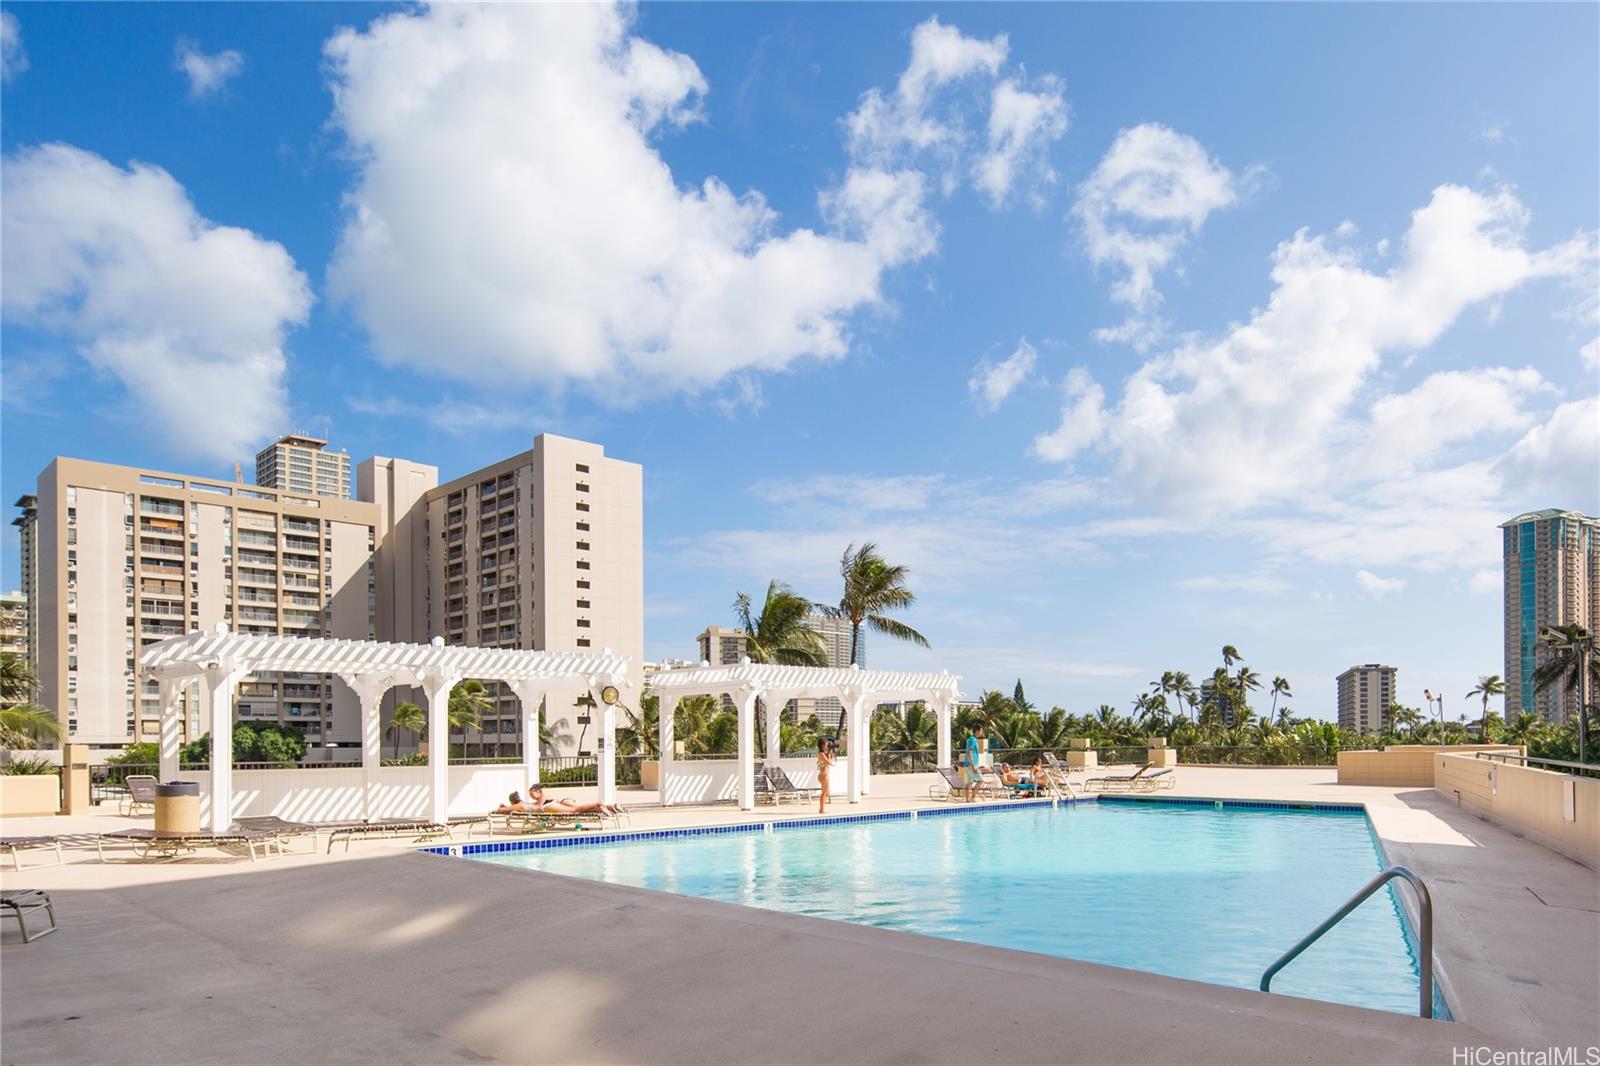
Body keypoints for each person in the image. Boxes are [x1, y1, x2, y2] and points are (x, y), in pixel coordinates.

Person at [526, 784, 621, 816]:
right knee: (580, 808)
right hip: (562, 801)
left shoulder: (542, 795)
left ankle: (597, 803)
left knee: (576, 810)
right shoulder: (542, 795)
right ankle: (609, 806)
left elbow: (539, 807)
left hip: (559, 803)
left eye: (532, 794)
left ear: (537, 791)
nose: (531, 796)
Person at [816, 736, 835, 814]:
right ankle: (821, 810)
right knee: (824, 793)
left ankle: (821, 808)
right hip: (823, 775)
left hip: (824, 775)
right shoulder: (821, 754)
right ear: (823, 745)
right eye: (826, 744)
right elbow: (828, 762)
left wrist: (830, 754)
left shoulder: (824, 753)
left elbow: (828, 762)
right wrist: (830, 756)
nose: (827, 745)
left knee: (827, 793)